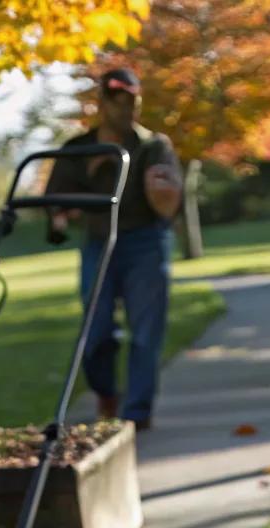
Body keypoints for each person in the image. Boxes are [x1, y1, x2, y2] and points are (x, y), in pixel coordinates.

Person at [46, 67, 182, 431]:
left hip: (145, 241)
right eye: (119, 102)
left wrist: (164, 195)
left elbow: (169, 206)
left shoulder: (154, 146)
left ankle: (136, 415)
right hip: (98, 242)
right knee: (96, 330)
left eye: (133, 103)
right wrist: (59, 218)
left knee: (146, 331)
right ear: (102, 104)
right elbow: (57, 199)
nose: (127, 111)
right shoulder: (78, 149)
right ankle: (106, 392)